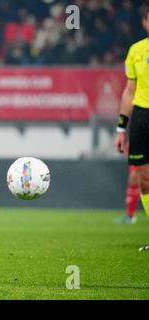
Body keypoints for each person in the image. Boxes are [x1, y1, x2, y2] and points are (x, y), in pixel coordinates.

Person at [115, 8, 149, 251]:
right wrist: (121, 127)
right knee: (145, 179)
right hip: (141, 116)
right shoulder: (136, 50)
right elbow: (129, 90)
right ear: (145, 22)